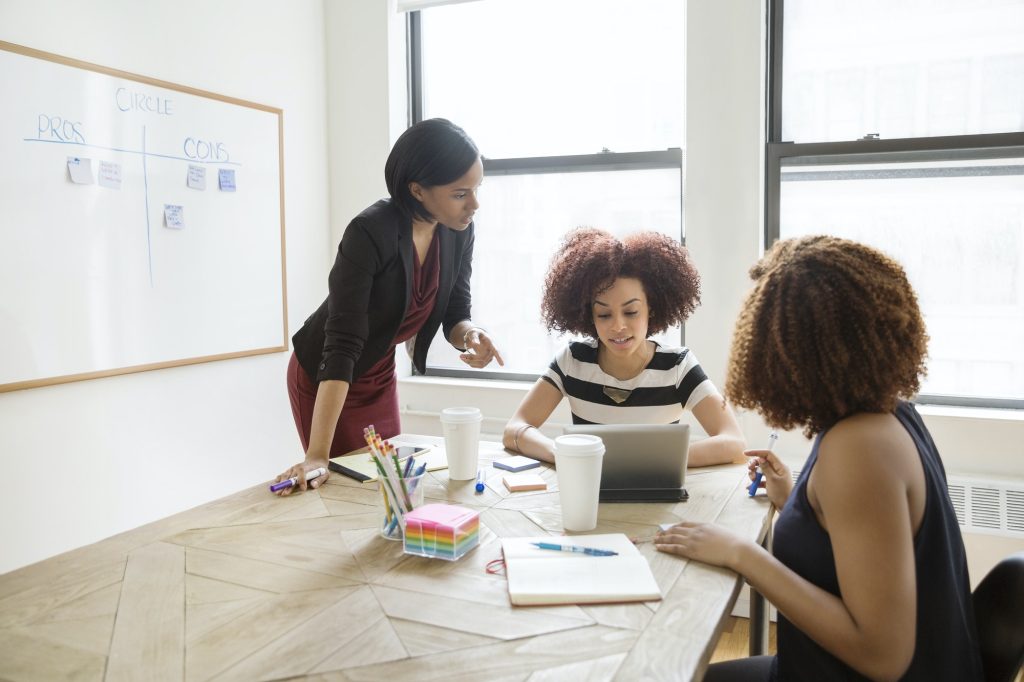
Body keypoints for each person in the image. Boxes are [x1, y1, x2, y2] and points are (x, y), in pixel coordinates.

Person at [656, 236, 984, 681]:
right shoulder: (889, 413)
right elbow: (859, 544)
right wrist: (797, 501)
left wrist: (742, 554)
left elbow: (882, 656)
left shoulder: (860, 448)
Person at [275, 118, 503, 495]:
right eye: (461, 193)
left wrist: (471, 335)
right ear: (417, 190)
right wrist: (317, 454)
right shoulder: (369, 233)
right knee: (346, 489)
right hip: (327, 374)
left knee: (393, 485)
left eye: (477, 188)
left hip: (378, 373)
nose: (474, 204)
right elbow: (342, 345)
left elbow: (454, 312)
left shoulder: (458, 231)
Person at [503, 228, 745, 467]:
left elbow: (734, 442)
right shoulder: (572, 361)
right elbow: (515, 428)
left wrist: (658, 461)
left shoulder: (678, 366)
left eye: (631, 312)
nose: (618, 326)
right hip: (589, 493)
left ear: (651, 308)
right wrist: (562, 454)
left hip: (656, 498)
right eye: (604, 314)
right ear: (589, 315)